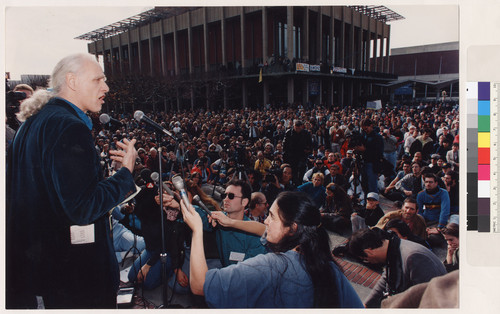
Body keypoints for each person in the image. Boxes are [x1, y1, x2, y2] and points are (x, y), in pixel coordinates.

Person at [6, 53, 138, 309]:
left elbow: (57, 197)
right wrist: (125, 174)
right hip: (78, 278)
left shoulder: (31, 124)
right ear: (72, 81)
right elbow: (82, 208)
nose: (106, 87)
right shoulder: (69, 127)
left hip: (48, 274)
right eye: (98, 79)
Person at [179, 191, 364, 308]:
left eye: (272, 217)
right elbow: (264, 230)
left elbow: (200, 285)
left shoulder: (270, 266)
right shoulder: (327, 266)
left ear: (292, 228)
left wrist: (196, 231)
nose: (266, 220)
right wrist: (232, 222)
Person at [347, 228, 447, 308]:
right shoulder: (393, 247)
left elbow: (427, 298)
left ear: (369, 252)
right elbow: (386, 279)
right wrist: (366, 305)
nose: (368, 262)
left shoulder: (414, 257)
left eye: (365, 259)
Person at [283, 119, 312, 186]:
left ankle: (300, 183)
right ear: (294, 126)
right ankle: (294, 184)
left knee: (302, 170)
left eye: (299, 128)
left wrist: (308, 150)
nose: (298, 129)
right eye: (296, 128)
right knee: (293, 171)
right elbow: (285, 145)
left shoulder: (306, 133)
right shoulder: (289, 132)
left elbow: (310, 144)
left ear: (301, 127)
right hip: (292, 155)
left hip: (302, 155)